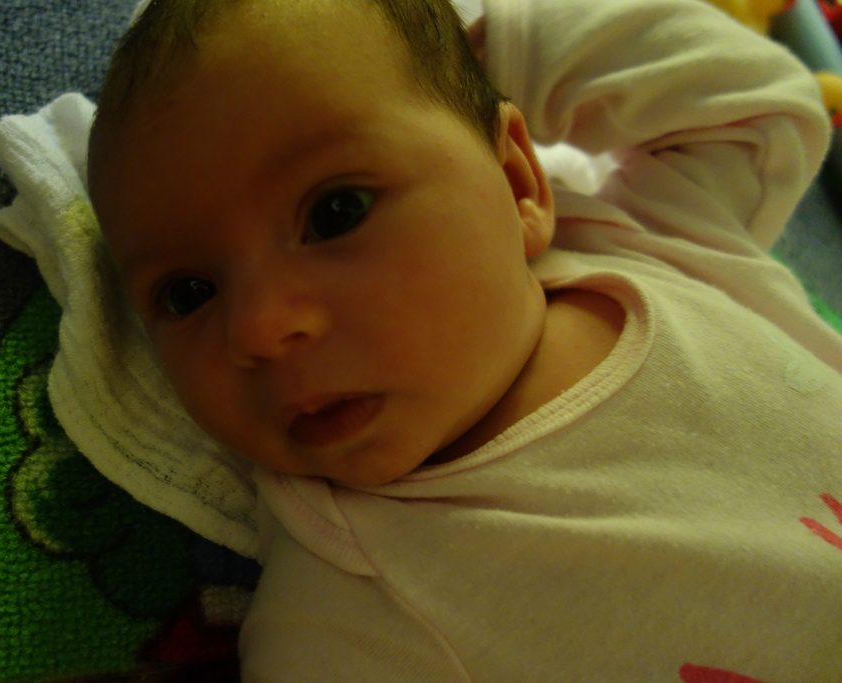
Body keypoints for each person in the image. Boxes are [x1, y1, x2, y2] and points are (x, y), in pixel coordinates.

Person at [86, 0, 842, 679]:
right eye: (189, 293)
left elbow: (757, 105)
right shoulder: (353, 609)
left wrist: (491, 56)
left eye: (336, 212)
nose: (258, 328)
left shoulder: (649, 238)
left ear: (516, 183)